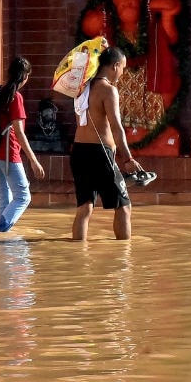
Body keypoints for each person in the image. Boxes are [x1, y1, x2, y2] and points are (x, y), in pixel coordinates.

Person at [71, 46, 140, 240]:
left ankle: (78, 255)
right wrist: (128, 159)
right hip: (99, 154)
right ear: (115, 66)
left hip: (79, 152)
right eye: (123, 68)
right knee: (124, 207)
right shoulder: (108, 90)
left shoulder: (81, 88)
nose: (122, 73)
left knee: (84, 208)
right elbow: (116, 128)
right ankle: (124, 261)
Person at [0, 56, 46, 233]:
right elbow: (19, 132)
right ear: (25, 76)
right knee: (23, 197)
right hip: (8, 152)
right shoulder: (15, 97)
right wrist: (34, 161)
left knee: (5, 195)